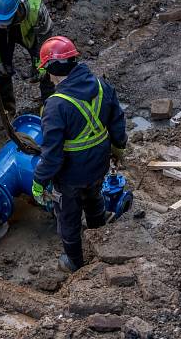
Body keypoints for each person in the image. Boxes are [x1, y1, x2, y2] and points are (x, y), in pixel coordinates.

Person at [30, 36, 127, 272]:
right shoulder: (102, 86)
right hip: (99, 163)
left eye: (46, 70)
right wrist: (119, 148)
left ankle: (74, 261)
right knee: (94, 198)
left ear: (52, 68)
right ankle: (99, 236)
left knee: (68, 216)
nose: (47, 76)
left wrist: (39, 181)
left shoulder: (55, 105)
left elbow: (52, 156)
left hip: (71, 174)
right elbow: (117, 121)